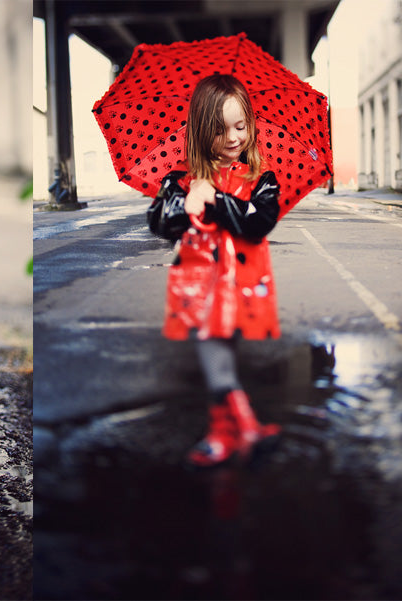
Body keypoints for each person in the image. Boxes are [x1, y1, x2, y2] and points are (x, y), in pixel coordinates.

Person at [152, 74, 282, 467]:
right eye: (220, 129)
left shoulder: (262, 180)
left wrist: (218, 199)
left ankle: (228, 432)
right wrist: (185, 203)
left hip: (242, 286)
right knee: (215, 355)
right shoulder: (180, 180)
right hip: (199, 287)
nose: (232, 138)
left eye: (241, 126)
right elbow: (159, 221)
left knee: (222, 354)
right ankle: (239, 429)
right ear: (199, 132)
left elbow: (260, 221)